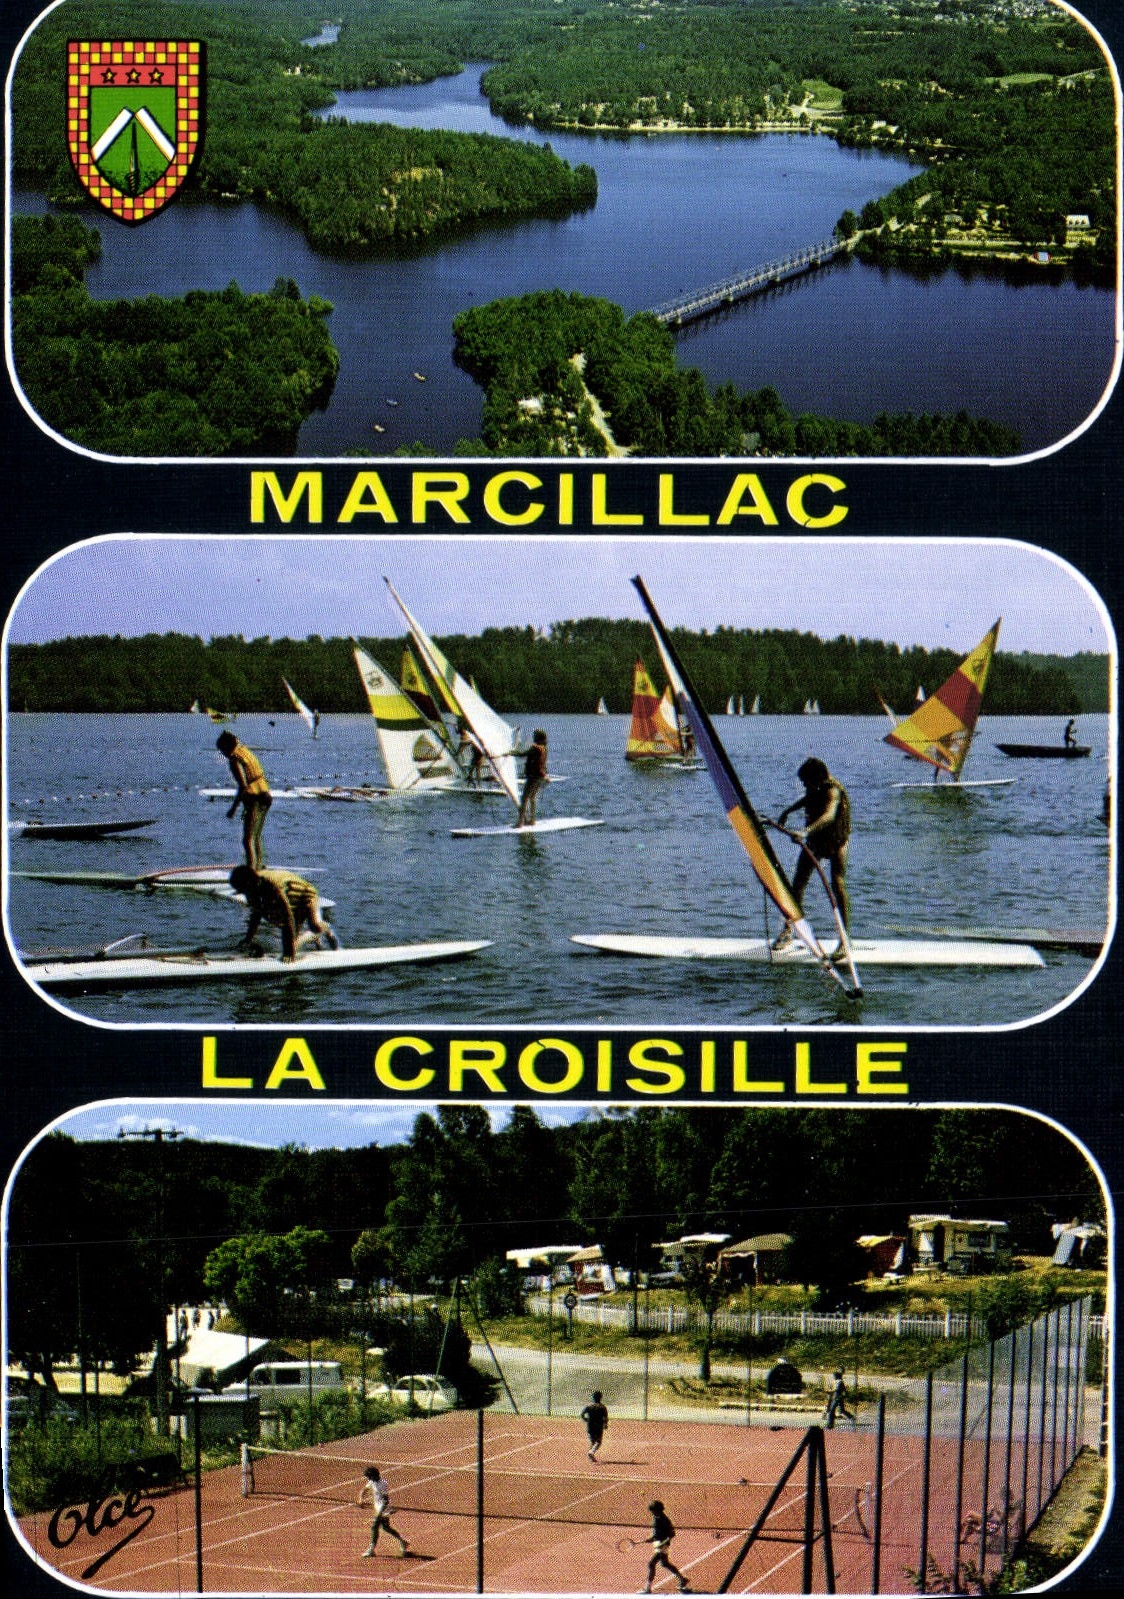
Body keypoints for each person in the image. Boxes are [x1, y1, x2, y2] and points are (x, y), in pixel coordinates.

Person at [770, 757, 851, 952]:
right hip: (816, 841)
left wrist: (805, 832)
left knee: (837, 885)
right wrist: (789, 810)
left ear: (819, 777)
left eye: (807, 782)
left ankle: (844, 940)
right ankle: (788, 930)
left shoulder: (833, 791)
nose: (805, 786)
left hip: (837, 841)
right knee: (797, 885)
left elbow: (829, 815)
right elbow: (809, 798)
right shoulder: (816, 787)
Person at [229, 865, 339, 962]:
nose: (243, 894)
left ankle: (325, 928)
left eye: (242, 890)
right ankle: (311, 937)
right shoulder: (251, 888)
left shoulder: (272, 885)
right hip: (291, 897)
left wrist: (289, 954)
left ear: (248, 884)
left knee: (314, 927)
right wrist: (247, 939)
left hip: (305, 893)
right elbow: (256, 915)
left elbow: (287, 919)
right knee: (290, 940)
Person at [216, 730, 271, 868]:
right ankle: (259, 866)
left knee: (247, 839)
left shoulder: (234, 759)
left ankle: (251, 869)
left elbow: (243, 786)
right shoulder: (244, 751)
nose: (223, 754)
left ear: (226, 747)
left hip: (254, 798)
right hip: (266, 794)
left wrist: (233, 809)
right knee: (256, 836)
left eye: (222, 750)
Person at [357, 1466, 409, 1558]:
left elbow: (385, 1500)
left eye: (368, 1476)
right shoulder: (372, 1482)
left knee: (374, 1527)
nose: (368, 1478)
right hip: (378, 1509)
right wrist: (361, 1499)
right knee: (386, 1528)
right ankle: (402, 1542)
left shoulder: (383, 1484)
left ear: (373, 1476)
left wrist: (380, 1514)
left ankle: (371, 1549)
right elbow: (364, 1490)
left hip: (384, 1509)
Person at [639, 1501, 690, 1593]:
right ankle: (682, 1579)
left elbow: (672, 1534)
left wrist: (663, 1544)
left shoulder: (664, 1520)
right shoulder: (656, 1517)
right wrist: (651, 1538)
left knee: (651, 1564)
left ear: (658, 1510)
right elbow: (657, 1534)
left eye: (653, 1511)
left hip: (663, 1546)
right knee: (665, 1564)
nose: (652, 1513)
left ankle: (648, 1588)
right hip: (659, 1544)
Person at [517, 728, 548, 827]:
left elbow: (522, 754)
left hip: (533, 776)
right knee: (532, 797)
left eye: (535, 736)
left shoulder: (535, 748)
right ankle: (532, 820)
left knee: (524, 798)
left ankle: (520, 823)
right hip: (541, 776)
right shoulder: (544, 748)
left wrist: (510, 753)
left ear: (538, 738)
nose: (533, 738)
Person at [580, 1389, 609, 1461]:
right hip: (599, 1426)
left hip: (590, 1425)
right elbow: (605, 1417)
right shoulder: (602, 1407)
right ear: (600, 1398)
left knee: (593, 1441)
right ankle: (591, 1452)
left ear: (593, 1397)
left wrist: (586, 1420)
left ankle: (591, 1455)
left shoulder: (589, 1406)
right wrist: (605, 1424)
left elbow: (582, 1414)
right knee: (598, 1442)